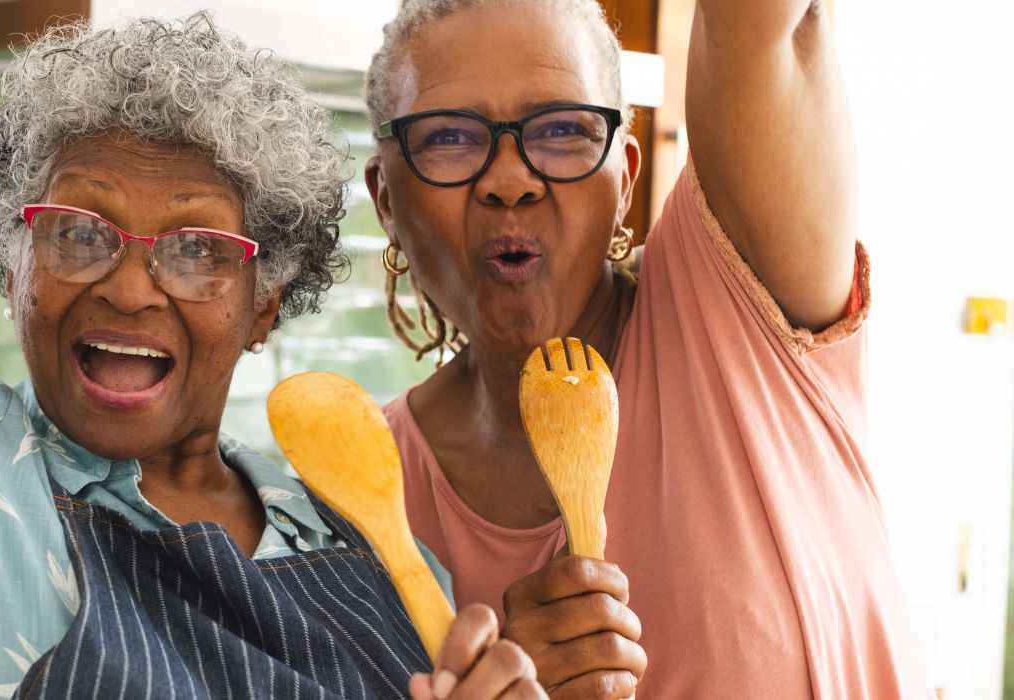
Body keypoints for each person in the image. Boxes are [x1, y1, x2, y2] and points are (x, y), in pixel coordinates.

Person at [0, 4, 575, 697]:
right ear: (12, 268)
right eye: (78, 230)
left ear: (265, 307)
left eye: (199, 248)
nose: (129, 284)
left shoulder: (369, 544)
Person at [364, 0, 931, 696]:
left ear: (625, 176)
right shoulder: (366, 491)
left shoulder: (737, 304)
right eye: (448, 137)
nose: (509, 181)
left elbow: (769, 22)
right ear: (385, 200)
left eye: (564, 130)